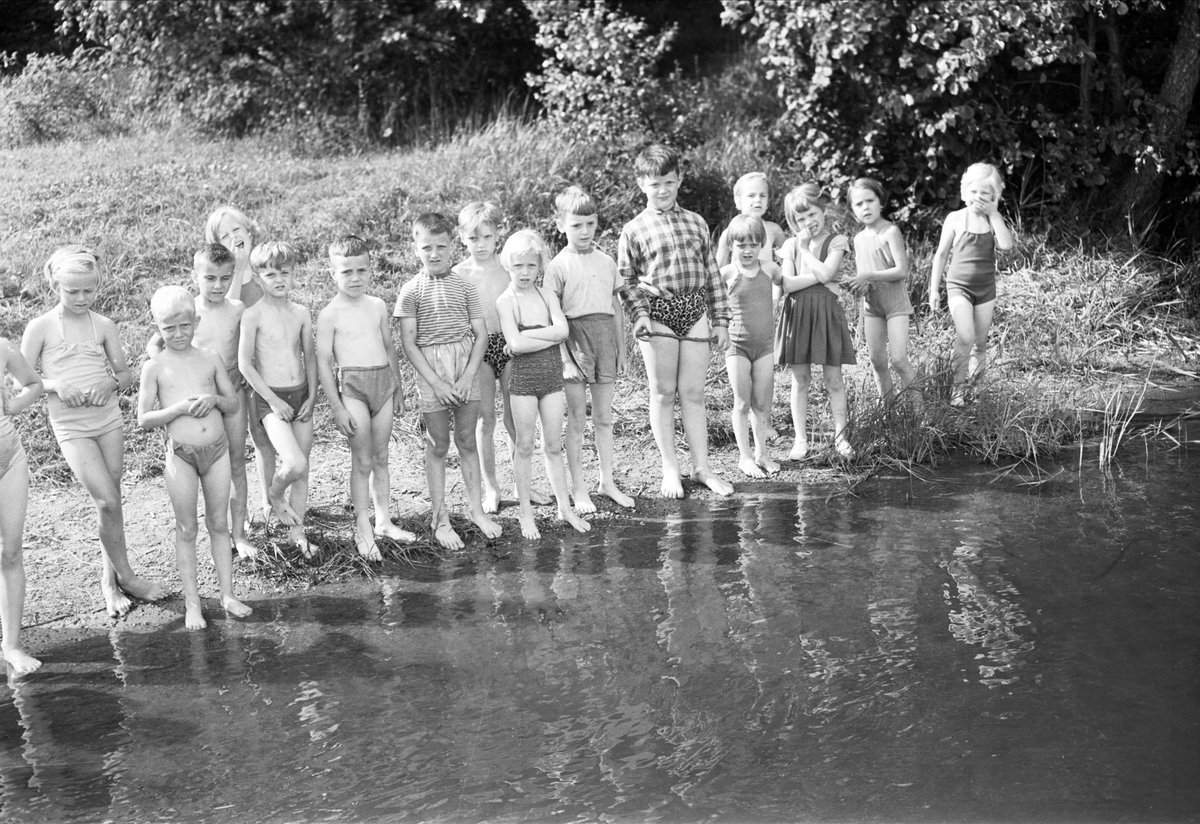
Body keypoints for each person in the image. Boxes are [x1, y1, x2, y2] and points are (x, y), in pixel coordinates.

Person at [21, 246, 168, 618]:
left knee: (112, 499)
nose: (81, 298)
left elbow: (125, 374)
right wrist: (56, 385)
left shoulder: (103, 326)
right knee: (106, 500)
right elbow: (19, 376)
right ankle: (126, 577)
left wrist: (110, 383)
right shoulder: (40, 327)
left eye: (89, 290)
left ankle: (110, 578)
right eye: (72, 291)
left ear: (98, 285)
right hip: (71, 427)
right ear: (55, 285)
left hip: (107, 421)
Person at [617, 143, 735, 499]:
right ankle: (671, 468)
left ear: (679, 180)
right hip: (658, 316)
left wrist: (721, 320)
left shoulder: (696, 222)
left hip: (695, 310)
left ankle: (703, 468)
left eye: (669, 182)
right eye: (655, 184)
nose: (663, 190)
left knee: (694, 393)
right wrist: (639, 315)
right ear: (642, 184)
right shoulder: (633, 229)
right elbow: (626, 282)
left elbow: (711, 272)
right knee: (663, 393)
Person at [137, 286, 252, 629]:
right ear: (156, 327)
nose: (177, 334)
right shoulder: (154, 367)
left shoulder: (210, 358)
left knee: (219, 524)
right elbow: (143, 419)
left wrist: (214, 400)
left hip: (216, 451)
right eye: (168, 328)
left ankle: (228, 594)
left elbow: (232, 404)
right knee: (187, 528)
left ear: (196, 321)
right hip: (181, 456)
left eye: (184, 326)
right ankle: (192, 603)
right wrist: (174, 409)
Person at [395, 212, 503, 550]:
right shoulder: (411, 291)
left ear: (452, 246)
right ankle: (440, 518)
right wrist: (438, 384)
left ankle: (476, 511)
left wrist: (467, 375)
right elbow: (409, 344)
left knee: (467, 439)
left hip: (464, 366)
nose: (435, 253)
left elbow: (481, 334)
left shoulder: (465, 286)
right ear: (416, 249)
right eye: (427, 247)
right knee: (438, 445)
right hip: (431, 371)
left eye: (442, 246)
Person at [146, 244, 258, 559]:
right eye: (210, 278)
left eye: (225, 278)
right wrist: (178, 376)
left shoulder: (238, 309)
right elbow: (154, 345)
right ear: (196, 276)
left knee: (236, 462)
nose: (218, 285)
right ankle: (207, 531)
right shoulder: (188, 312)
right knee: (198, 464)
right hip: (196, 403)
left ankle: (238, 533)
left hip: (230, 394)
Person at [316, 234, 415, 561]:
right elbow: (323, 362)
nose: (355, 278)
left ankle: (383, 521)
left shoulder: (377, 306)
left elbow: (389, 347)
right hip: (354, 387)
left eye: (361, 270)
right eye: (346, 272)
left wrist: (397, 386)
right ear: (333, 274)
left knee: (382, 456)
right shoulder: (330, 314)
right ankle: (362, 526)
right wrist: (337, 406)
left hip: (382, 383)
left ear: (371, 270)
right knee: (362, 460)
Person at [450, 201, 549, 513]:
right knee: (485, 419)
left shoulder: (508, 269)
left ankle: (523, 482)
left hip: (508, 345)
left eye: (487, 238)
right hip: (476, 349)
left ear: (498, 236)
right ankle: (491, 486)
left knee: (514, 417)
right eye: (473, 239)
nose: (481, 245)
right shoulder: (458, 274)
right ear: (462, 238)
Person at [496, 229, 593, 540]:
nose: (525, 273)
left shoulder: (547, 295)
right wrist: (541, 336)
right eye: (518, 266)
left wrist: (528, 338)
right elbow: (514, 343)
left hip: (552, 379)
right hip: (522, 382)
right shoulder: (505, 301)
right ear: (507, 266)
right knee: (524, 446)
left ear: (540, 266)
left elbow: (562, 331)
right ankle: (526, 512)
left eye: (531, 266)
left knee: (553, 446)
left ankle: (565, 508)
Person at [544, 186, 635, 511]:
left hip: (603, 343)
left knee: (604, 418)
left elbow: (616, 307)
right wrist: (564, 356)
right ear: (561, 225)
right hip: (572, 346)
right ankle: (579, 489)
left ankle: (607, 481)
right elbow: (552, 318)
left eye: (590, 224)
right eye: (576, 225)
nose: (584, 232)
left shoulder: (607, 260)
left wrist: (621, 351)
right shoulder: (557, 267)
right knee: (578, 421)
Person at [237, 241, 317, 556]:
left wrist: (312, 393)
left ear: (294, 273)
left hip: (300, 394)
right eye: (270, 274)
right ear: (257, 278)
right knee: (293, 462)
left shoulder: (300, 312)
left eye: (285, 272)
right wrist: (273, 401)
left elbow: (309, 356)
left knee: (303, 468)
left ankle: (296, 533)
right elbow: (245, 364)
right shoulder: (252, 315)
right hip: (268, 399)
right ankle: (273, 495)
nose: (279, 279)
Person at [774, 184, 856, 460]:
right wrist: (821, 278)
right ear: (793, 222)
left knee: (834, 378)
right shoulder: (788, 245)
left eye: (811, 214)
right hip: (797, 314)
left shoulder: (836, 240)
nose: (807, 222)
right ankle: (800, 439)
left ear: (822, 209)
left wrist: (807, 252)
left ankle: (841, 437)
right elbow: (787, 283)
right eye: (800, 219)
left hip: (826, 313)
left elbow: (828, 269)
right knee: (800, 378)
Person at [929, 162, 1015, 406]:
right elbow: (941, 254)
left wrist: (995, 213)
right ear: (964, 191)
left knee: (979, 342)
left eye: (985, 194)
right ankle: (956, 392)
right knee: (965, 336)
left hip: (986, 289)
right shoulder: (956, 218)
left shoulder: (991, 220)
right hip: (959, 287)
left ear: (995, 197)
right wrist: (933, 289)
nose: (978, 198)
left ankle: (975, 392)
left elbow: (1007, 245)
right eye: (974, 192)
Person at [844, 177, 918, 403]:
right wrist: (855, 283)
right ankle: (888, 408)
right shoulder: (857, 239)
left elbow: (902, 271)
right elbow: (863, 277)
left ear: (881, 203)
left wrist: (868, 275)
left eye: (870, 200)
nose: (865, 207)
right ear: (852, 210)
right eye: (859, 204)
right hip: (872, 308)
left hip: (895, 305)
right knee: (877, 361)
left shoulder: (890, 232)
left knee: (898, 360)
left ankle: (921, 412)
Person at [721, 214, 782, 478]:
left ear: (761, 246)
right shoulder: (727, 273)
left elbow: (787, 285)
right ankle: (744, 457)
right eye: (741, 245)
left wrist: (776, 302)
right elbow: (707, 297)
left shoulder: (770, 269)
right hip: (737, 347)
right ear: (731, 245)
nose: (747, 251)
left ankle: (762, 454)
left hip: (765, 347)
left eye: (754, 245)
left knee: (761, 404)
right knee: (742, 402)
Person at [0, 338, 44, 674]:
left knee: (11, 553)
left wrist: (16, 404)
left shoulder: (2, 347)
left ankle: (12, 646)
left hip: (9, 457)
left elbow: (34, 384)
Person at [715, 172, 788, 267]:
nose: (758, 199)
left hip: (766, 281)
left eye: (762, 195)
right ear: (738, 201)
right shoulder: (729, 233)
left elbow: (790, 257)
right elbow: (717, 269)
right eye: (751, 195)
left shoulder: (773, 230)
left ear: (767, 203)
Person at [205, 206, 262, 306]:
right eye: (225, 236)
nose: (233, 237)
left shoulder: (265, 267)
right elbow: (227, 315)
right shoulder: (219, 281)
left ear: (249, 232)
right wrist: (237, 271)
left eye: (236, 229)